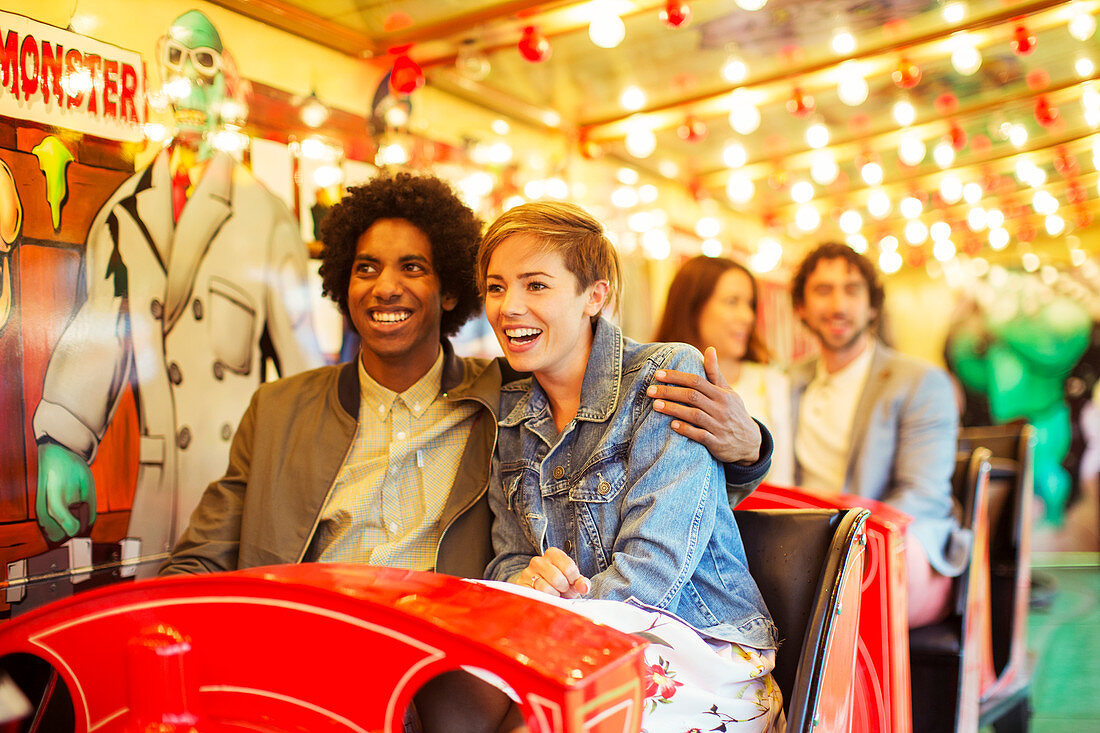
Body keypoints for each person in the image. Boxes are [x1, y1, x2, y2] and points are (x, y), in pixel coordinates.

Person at [160, 173, 769, 579]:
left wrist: (748, 448)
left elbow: (662, 482)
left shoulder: (502, 395)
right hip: (303, 641)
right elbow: (200, 560)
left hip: (445, 664)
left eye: (413, 268)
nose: (386, 287)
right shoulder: (278, 409)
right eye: (365, 267)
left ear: (451, 289)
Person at [32, 10, 322, 574]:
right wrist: (60, 444)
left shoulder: (266, 219)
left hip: (240, 501)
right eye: (176, 60)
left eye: (206, 64)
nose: (190, 80)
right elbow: (101, 329)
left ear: (228, 90)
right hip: (159, 503)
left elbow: (303, 380)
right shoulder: (122, 215)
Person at [479, 202, 783, 733]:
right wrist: (529, 579)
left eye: (536, 286)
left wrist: (554, 617)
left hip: (696, 646)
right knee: (449, 690)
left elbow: (655, 569)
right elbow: (507, 561)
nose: (509, 307)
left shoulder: (666, 374)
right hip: (575, 644)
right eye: (497, 287)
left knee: (544, 720)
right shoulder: (508, 412)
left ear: (594, 296)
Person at [789, 241, 966, 627]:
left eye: (852, 290)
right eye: (823, 290)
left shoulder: (920, 381)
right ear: (800, 307)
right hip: (801, 544)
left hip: (896, 539)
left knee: (876, 567)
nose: (838, 305)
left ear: (872, 307)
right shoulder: (786, 381)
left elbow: (921, 495)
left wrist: (843, 540)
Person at [655, 255, 793, 486]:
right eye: (732, 302)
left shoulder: (772, 382)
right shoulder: (656, 382)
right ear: (692, 306)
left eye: (749, 304)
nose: (747, 317)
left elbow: (783, 481)